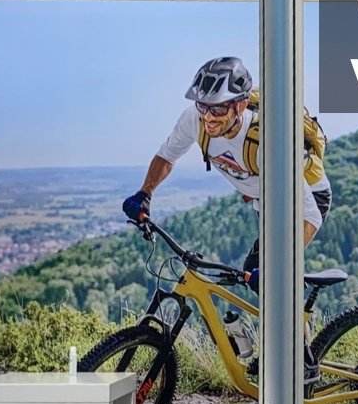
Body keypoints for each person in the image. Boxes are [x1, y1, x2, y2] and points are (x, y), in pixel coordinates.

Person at [123, 55, 331, 276]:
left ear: (241, 106)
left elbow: (310, 216)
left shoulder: (268, 144)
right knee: (253, 271)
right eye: (203, 106)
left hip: (305, 196)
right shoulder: (195, 119)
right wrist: (144, 194)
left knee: (270, 275)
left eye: (219, 109)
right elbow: (167, 156)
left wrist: (277, 270)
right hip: (265, 197)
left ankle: (293, 296)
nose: (208, 117)